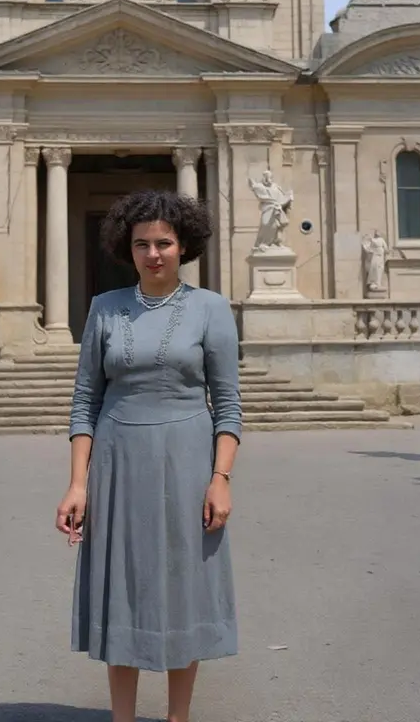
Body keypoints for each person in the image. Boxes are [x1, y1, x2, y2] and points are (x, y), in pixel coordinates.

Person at [56, 190, 242, 722]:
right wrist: (77, 484)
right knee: (124, 591)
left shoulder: (211, 308)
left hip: (187, 463)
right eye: (142, 244)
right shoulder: (104, 309)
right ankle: (123, 718)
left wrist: (220, 478)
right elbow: (85, 401)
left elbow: (228, 404)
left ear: (184, 246)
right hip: (117, 464)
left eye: (164, 242)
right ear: (127, 248)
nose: (153, 253)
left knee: (184, 588)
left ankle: (177, 718)